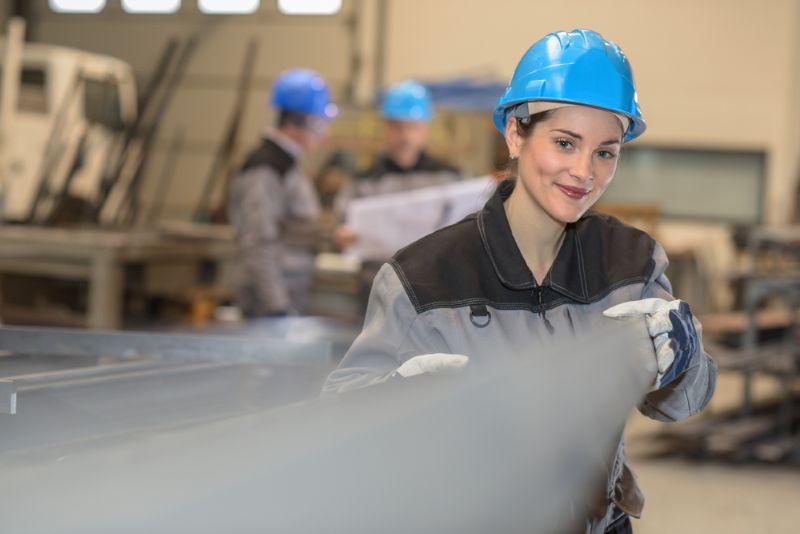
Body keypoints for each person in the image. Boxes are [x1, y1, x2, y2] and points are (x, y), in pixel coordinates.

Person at [323, 29, 716, 533]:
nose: (584, 171)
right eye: (565, 143)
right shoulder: (422, 278)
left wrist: (686, 357)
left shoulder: (631, 262)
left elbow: (680, 403)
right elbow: (340, 421)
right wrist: (391, 409)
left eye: (606, 152)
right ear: (515, 133)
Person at [227, 68, 337, 317]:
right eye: (319, 123)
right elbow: (257, 241)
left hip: (288, 294)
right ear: (293, 123)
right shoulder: (265, 171)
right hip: (267, 304)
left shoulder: (287, 167)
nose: (324, 133)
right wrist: (277, 308)